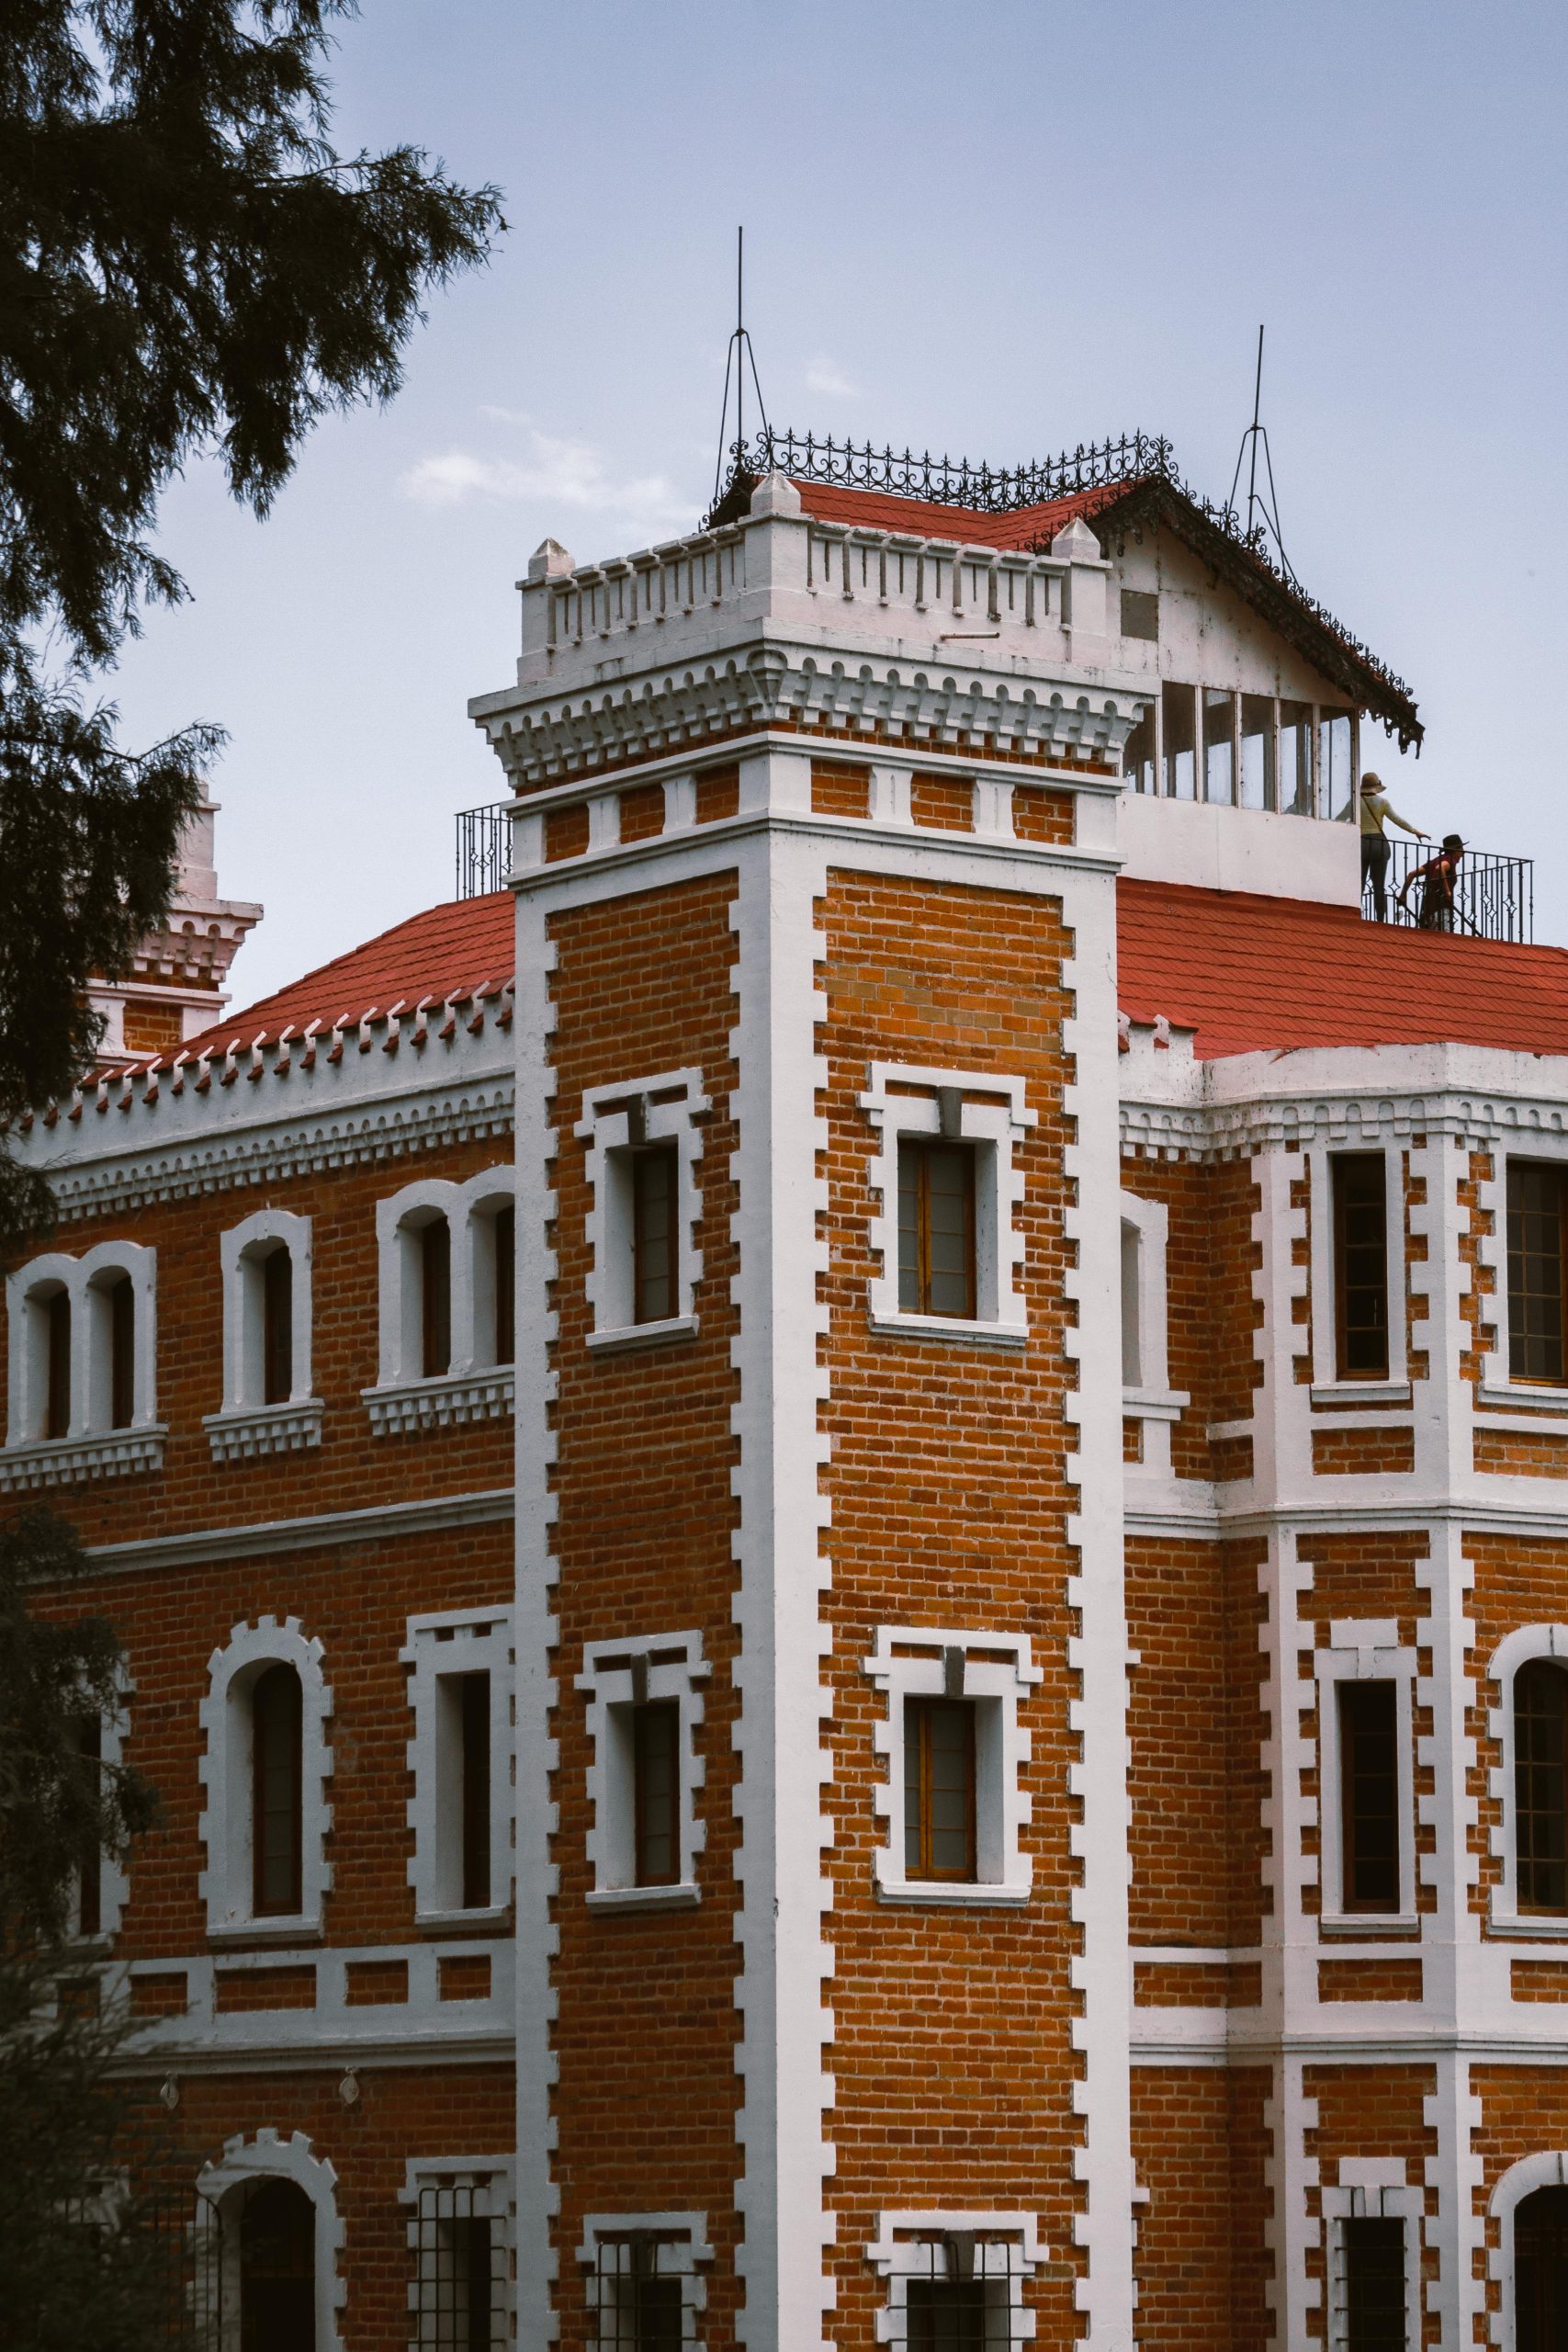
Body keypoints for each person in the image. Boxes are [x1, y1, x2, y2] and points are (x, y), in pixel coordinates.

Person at [1359, 770, 1423, 922]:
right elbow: (1397, 819)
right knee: (1379, 885)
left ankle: (1356, 914)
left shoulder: (1356, 801)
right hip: (1379, 843)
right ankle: (1380, 919)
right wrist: (1415, 831)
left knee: (1359, 883)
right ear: (1376, 786)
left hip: (1361, 843)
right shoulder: (1382, 802)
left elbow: (1342, 817)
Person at [1397, 833, 1467, 932]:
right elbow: (1440, 868)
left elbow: (1411, 874)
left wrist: (1402, 895)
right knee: (1444, 938)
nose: (1463, 854)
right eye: (1462, 851)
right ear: (1456, 850)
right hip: (1441, 908)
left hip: (1427, 910)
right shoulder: (1450, 860)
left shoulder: (1435, 861)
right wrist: (1447, 892)